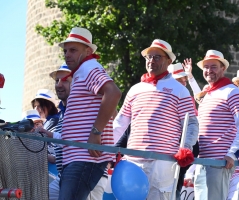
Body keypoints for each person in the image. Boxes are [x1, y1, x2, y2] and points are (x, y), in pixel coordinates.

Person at [113, 39, 199, 200]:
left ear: (169, 61)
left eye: (157, 57)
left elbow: (192, 124)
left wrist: (185, 148)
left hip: (162, 162)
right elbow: (120, 123)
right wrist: (107, 147)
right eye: (149, 57)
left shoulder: (180, 90)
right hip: (132, 161)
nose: (151, 60)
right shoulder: (135, 90)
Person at [57, 27, 121, 200]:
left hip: (84, 157)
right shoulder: (82, 71)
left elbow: (113, 93)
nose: (67, 54)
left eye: (73, 50)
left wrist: (96, 132)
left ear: (88, 51)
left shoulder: (89, 67)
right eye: (65, 50)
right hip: (80, 156)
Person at [194, 50, 239, 200]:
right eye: (206, 67)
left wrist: (233, 153)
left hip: (220, 162)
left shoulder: (232, 92)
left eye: (213, 66)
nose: (209, 71)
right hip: (202, 161)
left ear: (223, 69)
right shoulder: (208, 95)